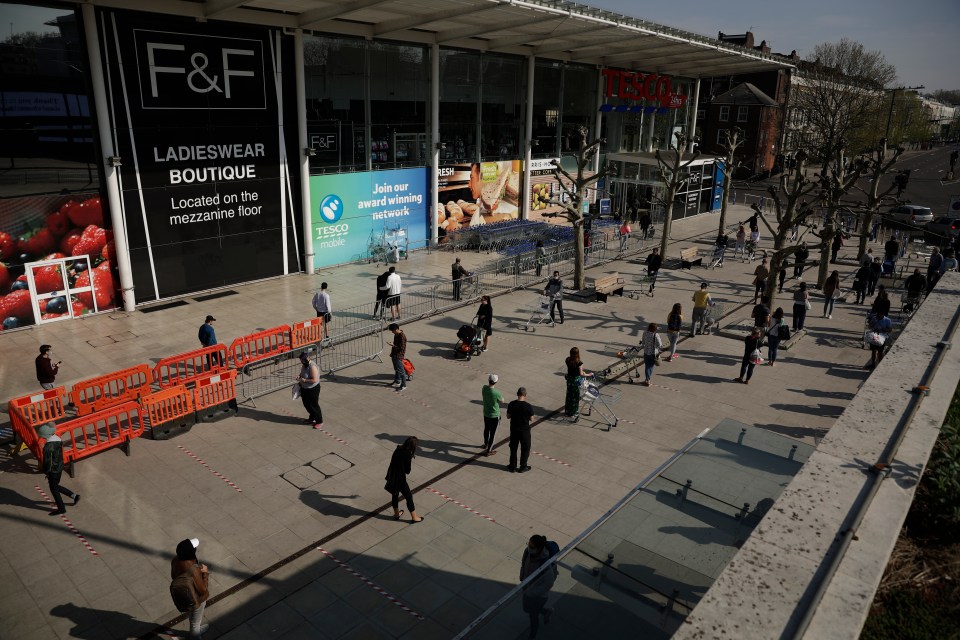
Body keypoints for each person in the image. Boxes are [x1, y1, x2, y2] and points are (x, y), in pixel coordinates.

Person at [169, 538, 209, 639]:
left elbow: (173, 576)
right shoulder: (193, 569)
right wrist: (205, 573)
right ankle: (195, 634)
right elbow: (203, 590)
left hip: (185, 596)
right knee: (195, 622)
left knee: (193, 619)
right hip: (196, 599)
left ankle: (195, 631)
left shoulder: (175, 560)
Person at [519, 534, 558, 639]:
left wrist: (533, 592)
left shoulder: (545, 563)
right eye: (529, 544)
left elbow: (549, 583)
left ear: (539, 548)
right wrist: (522, 575)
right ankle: (546, 611)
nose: (529, 548)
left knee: (533, 616)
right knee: (526, 608)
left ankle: (532, 636)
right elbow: (523, 563)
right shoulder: (527, 552)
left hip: (539, 596)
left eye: (532, 547)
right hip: (527, 588)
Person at [39, 422, 79, 515]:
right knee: (55, 486)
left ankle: (61, 508)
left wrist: (46, 472)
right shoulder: (57, 439)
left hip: (53, 470)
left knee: (53, 489)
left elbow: (47, 462)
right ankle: (74, 496)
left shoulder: (48, 447)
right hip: (59, 467)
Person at [384, 437, 423, 522]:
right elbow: (407, 470)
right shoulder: (408, 455)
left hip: (392, 476)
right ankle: (414, 517)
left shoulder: (398, 449)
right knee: (409, 497)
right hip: (400, 479)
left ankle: (397, 514)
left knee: (395, 495)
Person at [507, 387, 535, 473]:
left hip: (514, 430)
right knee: (525, 448)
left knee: (513, 448)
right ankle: (523, 466)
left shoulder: (511, 404)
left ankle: (512, 466)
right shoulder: (528, 406)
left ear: (517, 394)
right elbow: (532, 419)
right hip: (524, 431)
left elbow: (508, 416)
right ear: (525, 395)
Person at [297, 351, 323, 428]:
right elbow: (302, 373)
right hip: (304, 388)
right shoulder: (304, 365)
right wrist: (299, 377)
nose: (302, 362)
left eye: (303, 360)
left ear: (307, 358)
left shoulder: (312, 367)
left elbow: (314, 380)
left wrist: (304, 380)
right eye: (301, 360)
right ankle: (312, 417)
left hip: (313, 389)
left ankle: (319, 421)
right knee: (306, 404)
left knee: (314, 405)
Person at [563, 347, 591, 419]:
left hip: (569, 380)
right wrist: (589, 374)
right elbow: (581, 374)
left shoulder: (567, 360)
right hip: (575, 381)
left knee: (569, 395)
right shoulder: (579, 363)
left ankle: (567, 411)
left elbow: (571, 369)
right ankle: (573, 412)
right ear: (577, 354)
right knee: (575, 397)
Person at [388, 323, 408, 392]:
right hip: (394, 354)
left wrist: (393, 345)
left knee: (401, 371)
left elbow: (401, 349)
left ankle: (404, 385)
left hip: (399, 356)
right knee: (396, 369)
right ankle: (397, 381)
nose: (392, 332)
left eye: (393, 331)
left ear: (396, 329)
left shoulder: (402, 336)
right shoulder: (396, 334)